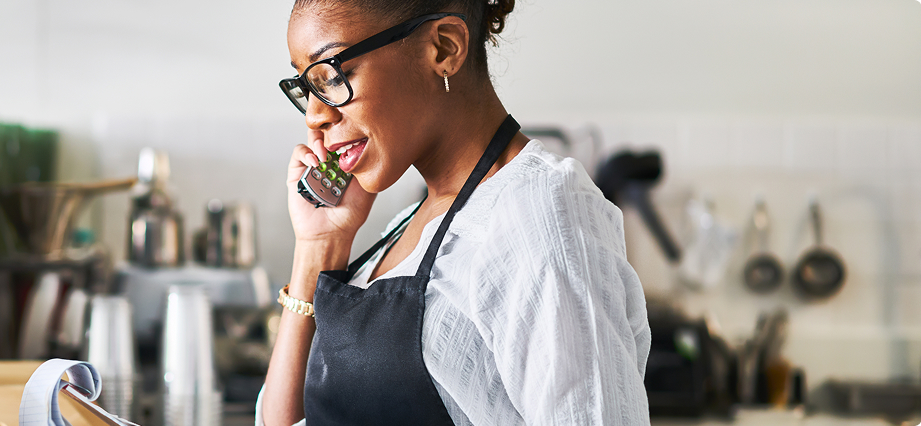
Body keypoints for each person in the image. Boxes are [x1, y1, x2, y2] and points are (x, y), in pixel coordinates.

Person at [259, 0, 652, 425]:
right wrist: (319, 246)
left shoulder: (542, 218)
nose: (315, 116)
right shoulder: (407, 226)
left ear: (444, 48)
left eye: (334, 75)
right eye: (307, 86)